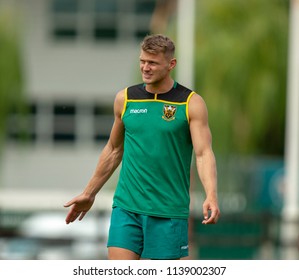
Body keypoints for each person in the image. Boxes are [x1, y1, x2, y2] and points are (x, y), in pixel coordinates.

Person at [64, 34, 220, 260]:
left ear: (171, 64)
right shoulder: (125, 99)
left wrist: (211, 195)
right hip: (127, 208)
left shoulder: (191, 103)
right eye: (142, 61)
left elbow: (203, 153)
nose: (145, 68)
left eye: (153, 63)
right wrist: (89, 193)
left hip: (168, 212)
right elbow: (113, 150)